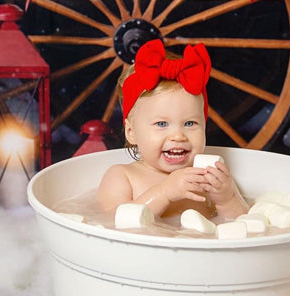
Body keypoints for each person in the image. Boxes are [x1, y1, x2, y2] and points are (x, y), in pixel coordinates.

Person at [97, 39, 248, 220]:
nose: (178, 136)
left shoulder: (207, 178)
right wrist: (164, 193)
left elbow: (242, 223)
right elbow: (112, 222)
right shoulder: (122, 176)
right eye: (162, 124)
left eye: (190, 123)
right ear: (132, 133)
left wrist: (227, 199)